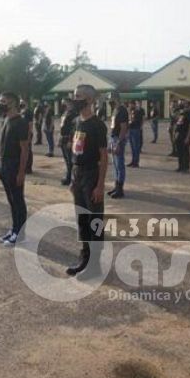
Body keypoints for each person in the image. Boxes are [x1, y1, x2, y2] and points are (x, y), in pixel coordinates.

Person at [65, 84, 108, 278]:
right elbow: (74, 149)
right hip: (77, 173)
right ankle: (84, 258)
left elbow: (104, 156)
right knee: (82, 218)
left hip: (92, 174)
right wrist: (72, 178)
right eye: (74, 96)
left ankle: (95, 265)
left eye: (79, 96)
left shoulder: (97, 124)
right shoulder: (76, 121)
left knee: (94, 220)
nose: (76, 99)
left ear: (90, 100)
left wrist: (100, 185)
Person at [0, 92, 29, 246]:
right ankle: (14, 229)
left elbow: (24, 149)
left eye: (3, 101)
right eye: (0, 101)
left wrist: (21, 171)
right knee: (11, 199)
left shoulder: (20, 122)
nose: (0, 104)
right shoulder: (6, 120)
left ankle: (20, 233)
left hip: (14, 165)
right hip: (3, 165)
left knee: (17, 200)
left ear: (13, 103)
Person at [107, 92, 129, 198]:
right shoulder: (115, 110)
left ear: (116, 98)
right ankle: (116, 187)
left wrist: (118, 143)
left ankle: (120, 190)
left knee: (119, 165)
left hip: (118, 139)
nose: (109, 101)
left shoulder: (122, 110)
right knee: (115, 165)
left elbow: (124, 128)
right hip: (113, 138)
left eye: (110, 99)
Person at [59, 97, 78, 185]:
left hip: (68, 138)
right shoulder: (65, 113)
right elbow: (62, 125)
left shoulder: (74, 113)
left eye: (64, 102)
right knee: (66, 159)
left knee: (70, 160)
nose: (63, 104)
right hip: (63, 137)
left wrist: (71, 140)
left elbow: (73, 128)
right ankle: (68, 176)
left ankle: (70, 178)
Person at [174, 101, 190, 172]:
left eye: (183, 103)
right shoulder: (180, 114)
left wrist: (188, 137)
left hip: (185, 135)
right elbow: (177, 125)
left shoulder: (188, 114)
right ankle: (180, 166)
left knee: (185, 152)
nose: (181, 104)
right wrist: (175, 134)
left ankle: (186, 168)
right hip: (179, 136)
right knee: (180, 152)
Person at [128, 100, 144, 167]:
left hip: (135, 129)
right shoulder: (131, 111)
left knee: (136, 147)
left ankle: (136, 162)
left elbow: (138, 120)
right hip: (131, 129)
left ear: (134, 105)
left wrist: (130, 122)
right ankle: (133, 161)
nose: (130, 106)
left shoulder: (138, 111)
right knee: (132, 147)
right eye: (129, 105)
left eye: (131, 104)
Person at [20, 101, 34, 174]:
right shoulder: (22, 112)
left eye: (22, 102)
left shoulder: (28, 112)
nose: (21, 104)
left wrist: (29, 135)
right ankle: (25, 166)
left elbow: (30, 124)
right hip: (22, 133)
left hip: (27, 133)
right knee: (23, 150)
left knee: (28, 150)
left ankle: (28, 168)